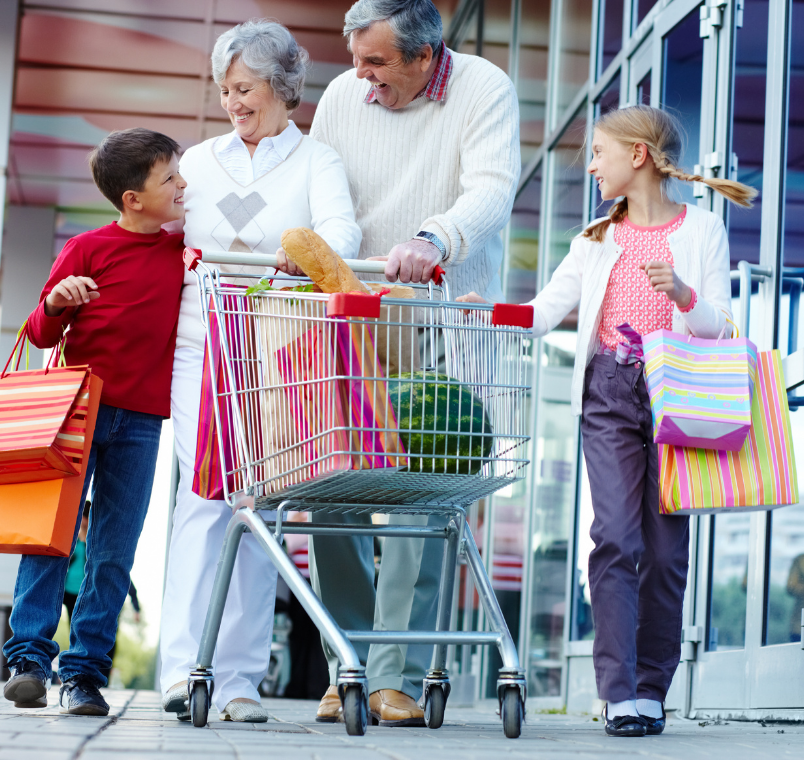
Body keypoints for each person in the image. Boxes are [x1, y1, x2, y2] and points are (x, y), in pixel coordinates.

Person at [458, 105, 757, 736]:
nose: (591, 166)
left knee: (667, 551)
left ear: (638, 157)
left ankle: (652, 689)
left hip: (678, 392)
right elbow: (542, 314)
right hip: (611, 391)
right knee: (615, 536)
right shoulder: (595, 238)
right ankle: (618, 692)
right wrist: (489, 312)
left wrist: (680, 292)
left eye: (599, 153)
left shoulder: (701, 231)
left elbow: (722, 328)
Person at [294, 0, 519, 727]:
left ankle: (392, 668)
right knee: (334, 489)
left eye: (376, 63)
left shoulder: (484, 88)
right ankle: (349, 661)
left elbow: (490, 186)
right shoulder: (341, 96)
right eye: (355, 60)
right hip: (356, 312)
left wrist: (435, 237)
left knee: (423, 496)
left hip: (438, 309)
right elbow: (321, 185)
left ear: (427, 56)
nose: (360, 78)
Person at [157, 19, 361, 724]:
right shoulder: (201, 159)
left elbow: (343, 235)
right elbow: (163, 231)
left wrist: (299, 252)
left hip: (277, 338)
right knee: (206, 495)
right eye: (224, 90)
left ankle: (239, 680)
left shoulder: (316, 162)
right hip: (200, 336)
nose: (232, 103)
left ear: (280, 87)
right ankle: (185, 669)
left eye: (243, 88)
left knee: (259, 503)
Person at [2, 128, 187, 716]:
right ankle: (28, 660)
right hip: (77, 410)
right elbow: (37, 331)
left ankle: (82, 674)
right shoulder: (87, 248)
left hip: (141, 423)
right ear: (133, 198)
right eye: (170, 178)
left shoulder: (185, 252)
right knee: (51, 535)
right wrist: (58, 299)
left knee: (114, 550)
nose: (183, 185)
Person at [62, 501, 142, 682]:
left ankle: (101, 671)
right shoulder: (72, 542)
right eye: (82, 517)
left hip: (93, 593)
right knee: (75, 631)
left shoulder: (98, 544)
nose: (83, 521)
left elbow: (121, 575)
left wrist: (135, 606)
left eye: (86, 517)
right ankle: (76, 669)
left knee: (106, 632)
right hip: (70, 595)